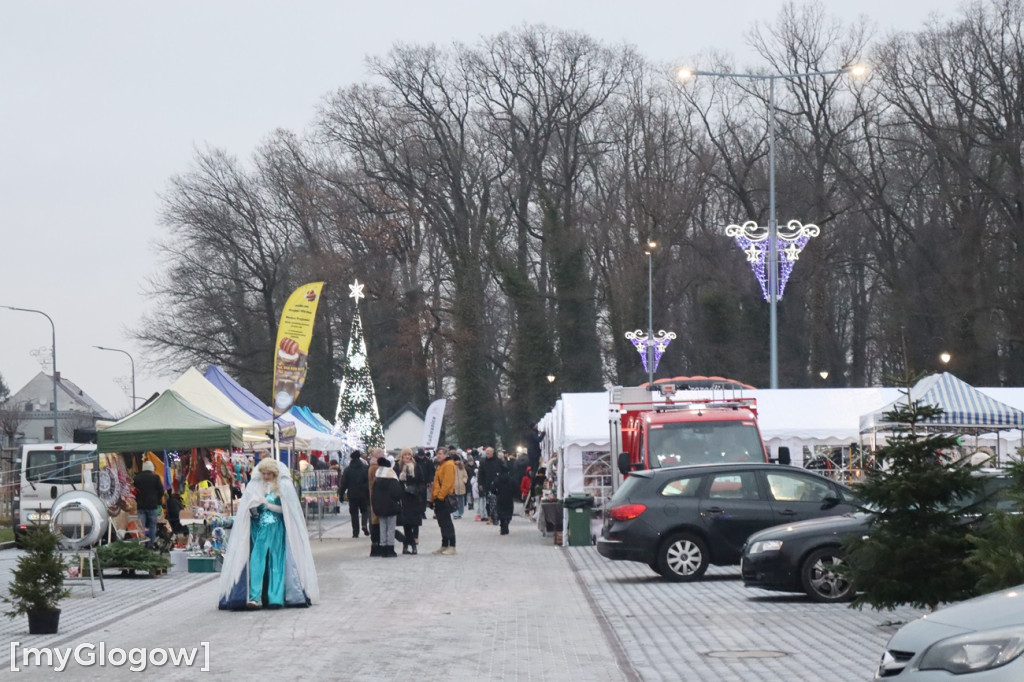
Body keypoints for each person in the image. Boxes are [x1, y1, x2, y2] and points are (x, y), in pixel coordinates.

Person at [218, 457, 318, 610]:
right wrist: (253, 508)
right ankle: (254, 597)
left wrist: (267, 505)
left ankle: (275, 597)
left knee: (276, 562)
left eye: (269, 474)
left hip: (276, 529)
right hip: (258, 529)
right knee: (256, 561)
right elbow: (246, 508)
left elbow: (287, 511)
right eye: (263, 474)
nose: (265, 477)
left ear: (274, 474)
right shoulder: (255, 486)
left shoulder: (283, 487)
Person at [371, 457, 403, 558]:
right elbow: (398, 493)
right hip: (391, 507)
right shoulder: (393, 481)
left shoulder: (377, 482)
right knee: (391, 528)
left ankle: (383, 548)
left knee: (383, 527)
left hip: (380, 507)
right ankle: (390, 549)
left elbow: (373, 496)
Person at [396, 448, 426, 554]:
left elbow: (422, 482)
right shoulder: (398, 467)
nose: (407, 457)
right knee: (406, 523)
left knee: (415, 523)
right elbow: (395, 482)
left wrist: (416, 489)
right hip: (403, 498)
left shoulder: (416, 467)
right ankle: (408, 545)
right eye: (405, 455)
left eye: (409, 455)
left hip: (414, 498)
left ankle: (413, 544)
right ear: (402, 456)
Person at [430, 447, 457, 554]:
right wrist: (432, 499)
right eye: (437, 454)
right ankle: (444, 544)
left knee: (447, 523)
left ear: (446, 455)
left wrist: (440, 497)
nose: (438, 455)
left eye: (440, 454)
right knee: (442, 523)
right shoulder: (440, 465)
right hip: (438, 497)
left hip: (444, 498)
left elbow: (447, 483)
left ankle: (452, 546)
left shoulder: (449, 465)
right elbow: (436, 483)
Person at [338, 451, 370, 539]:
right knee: (364, 511)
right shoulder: (365, 468)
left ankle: (355, 532)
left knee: (354, 513)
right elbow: (368, 482)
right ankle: (364, 524)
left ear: (351, 458)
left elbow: (343, 483)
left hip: (352, 494)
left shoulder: (347, 470)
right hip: (364, 494)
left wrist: (341, 495)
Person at [133, 460, 164, 548]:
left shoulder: (137, 478)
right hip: (152, 505)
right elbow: (161, 491)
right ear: (152, 468)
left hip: (141, 506)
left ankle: (142, 544)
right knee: (152, 526)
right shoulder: (156, 477)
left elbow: (133, 491)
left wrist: (137, 499)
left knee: (141, 527)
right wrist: (156, 499)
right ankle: (151, 544)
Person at [477, 447, 501, 525]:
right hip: (486, 484)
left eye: (488, 452)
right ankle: (489, 517)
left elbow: (501, 472)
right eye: (486, 452)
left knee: (496, 501)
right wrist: (480, 484)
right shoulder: (483, 461)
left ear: (492, 453)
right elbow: (480, 474)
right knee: (488, 502)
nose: (487, 454)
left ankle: (496, 516)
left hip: (497, 484)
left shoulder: (498, 461)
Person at [492, 463, 517, 535]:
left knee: (501, 511)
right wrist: (513, 494)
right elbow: (516, 488)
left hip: (500, 498)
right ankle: (507, 521)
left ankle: (502, 523)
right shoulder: (511, 479)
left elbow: (492, 488)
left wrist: (497, 493)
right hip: (509, 498)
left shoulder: (497, 480)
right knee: (508, 511)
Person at [453, 454, 468, 519]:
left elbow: (465, 475)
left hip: (461, 486)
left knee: (461, 501)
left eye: (458, 460)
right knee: (455, 501)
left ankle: (460, 513)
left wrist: (464, 481)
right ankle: (455, 513)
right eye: (456, 460)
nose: (457, 461)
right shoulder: (452, 467)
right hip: (454, 487)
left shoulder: (462, 467)